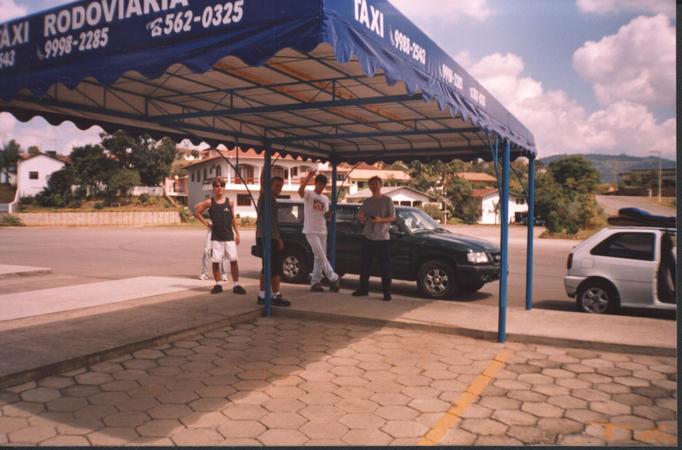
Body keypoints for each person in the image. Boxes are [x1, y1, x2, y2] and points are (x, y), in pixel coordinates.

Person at [193, 177, 246, 295]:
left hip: (229, 236)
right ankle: (217, 284)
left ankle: (236, 285)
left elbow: (232, 219)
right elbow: (196, 212)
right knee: (216, 261)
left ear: (224, 187)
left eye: (221, 185)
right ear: (213, 188)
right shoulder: (209, 202)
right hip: (216, 237)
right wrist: (206, 223)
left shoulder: (230, 202)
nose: (219, 188)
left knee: (233, 260)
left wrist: (237, 234)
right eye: (217, 186)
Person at [352, 176, 396, 301]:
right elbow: (361, 215)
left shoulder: (387, 200)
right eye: (371, 184)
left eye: (376, 183)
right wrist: (360, 217)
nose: (374, 186)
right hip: (367, 237)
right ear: (369, 186)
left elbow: (393, 217)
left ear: (381, 185)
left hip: (383, 238)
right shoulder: (367, 201)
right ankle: (363, 289)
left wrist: (381, 220)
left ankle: (387, 293)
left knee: (385, 267)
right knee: (364, 265)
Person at [298, 169, 340, 293]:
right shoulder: (309, 194)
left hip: (323, 231)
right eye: (319, 184)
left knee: (319, 257)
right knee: (321, 255)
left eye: (323, 184)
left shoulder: (325, 199)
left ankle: (315, 282)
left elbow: (325, 216)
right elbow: (300, 192)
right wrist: (309, 176)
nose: (321, 186)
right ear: (315, 183)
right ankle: (333, 277)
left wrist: (330, 214)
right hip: (310, 230)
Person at [255, 175, 290, 307]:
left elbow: (274, 223)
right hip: (266, 237)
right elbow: (262, 181)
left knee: (272, 267)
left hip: (272, 237)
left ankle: (269, 295)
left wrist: (278, 237)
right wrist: (265, 164)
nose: (279, 188)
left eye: (281, 186)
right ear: (270, 185)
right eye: (276, 185)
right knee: (270, 267)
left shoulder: (273, 200)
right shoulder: (265, 197)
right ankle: (270, 295)